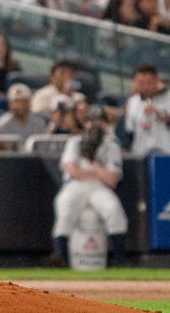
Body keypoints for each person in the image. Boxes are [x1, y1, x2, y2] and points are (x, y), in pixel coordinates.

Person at [50, 107, 128, 267]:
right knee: (65, 208)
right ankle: (60, 257)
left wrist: (92, 165)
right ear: (85, 122)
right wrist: (98, 171)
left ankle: (119, 259)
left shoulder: (111, 145)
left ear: (105, 122)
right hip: (75, 186)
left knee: (114, 210)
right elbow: (72, 172)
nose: (94, 123)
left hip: (99, 188)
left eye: (98, 119)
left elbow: (112, 179)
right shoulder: (75, 141)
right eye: (90, 120)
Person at [123, 63, 170, 156]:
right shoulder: (132, 102)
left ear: (157, 80)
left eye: (148, 83)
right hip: (140, 156)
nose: (145, 87)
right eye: (140, 83)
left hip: (166, 155)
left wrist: (161, 115)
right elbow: (129, 131)